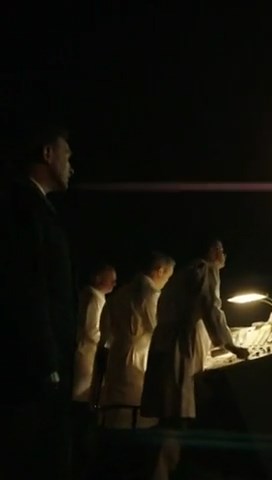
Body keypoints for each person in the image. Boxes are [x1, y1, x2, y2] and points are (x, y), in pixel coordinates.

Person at [0, 124, 77, 478]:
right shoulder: (23, 209)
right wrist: (48, 362)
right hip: (33, 369)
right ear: (47, 154)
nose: (71, 164)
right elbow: (29, 287)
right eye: (66, 155)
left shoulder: (32, 207)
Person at [140, 239, 248, 479]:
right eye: (220, 249)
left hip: (165, 345)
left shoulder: (181, 275)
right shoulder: (204, 269)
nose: (224, 254)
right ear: (211, 252)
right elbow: (211, 307)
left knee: (168, 416)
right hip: (181, 347)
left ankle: (161, 470)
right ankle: (164, 472)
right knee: (178, 416)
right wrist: (229, 344)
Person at [99, 252, 175, 428]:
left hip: (116, 357)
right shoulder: (149, 295)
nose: (167, 282)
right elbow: (159, 329)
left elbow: (105, 333)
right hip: (137, 360)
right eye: (168, 276)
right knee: (135, 414)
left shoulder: (118, 295)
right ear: (160, 271)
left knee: (117, 412)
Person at [71, 263, 116, 476]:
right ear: (99, 278)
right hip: (87, 357)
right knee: (83, 403)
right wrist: (110, 341)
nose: (114, 283)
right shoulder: (93, 297)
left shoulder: (95, 297)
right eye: (111, 278)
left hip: (89, 357)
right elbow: (91, 331)